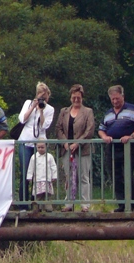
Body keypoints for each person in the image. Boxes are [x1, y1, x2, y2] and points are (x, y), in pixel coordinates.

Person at [98, 85, 134, 212]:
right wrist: (105, 137)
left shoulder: (132, 109)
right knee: (115, 175)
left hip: (128, 147)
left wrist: (131, 136)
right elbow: (101, 129)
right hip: (112, 148)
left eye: (117, 99)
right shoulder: (108, 113)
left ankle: (132, 204)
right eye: (112, 99)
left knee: (127, 174)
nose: (115, 101)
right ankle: (121, 204)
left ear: (122, 96)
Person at [55, 84, 95, 212]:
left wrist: (78, 143)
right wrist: (65, 143)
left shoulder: (88, 111)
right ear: (70, 97)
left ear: (82, 98)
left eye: (78, 97)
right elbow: (58, 128)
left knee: (84, 176)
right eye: (74, 97)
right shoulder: (64, 111)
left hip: (83, 149)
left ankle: (85, 204)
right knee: (69, 176)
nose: (76, 100)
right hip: (67, 149)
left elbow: (90, 130)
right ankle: (69, 203)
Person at [16, 82, 55, 203]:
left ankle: (37, 202)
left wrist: (41, 111)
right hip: (25, 142)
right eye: (41, 96)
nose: (43, 99)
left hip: (40, 143)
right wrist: (33, 107)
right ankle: (23, 203)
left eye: (45, 96)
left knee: (40, 173)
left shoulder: (50, 109)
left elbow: (44, 126)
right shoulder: (28, 103)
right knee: (25, 173)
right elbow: (22, 119)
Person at [26, 141, 58, 211]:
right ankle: (37, 208)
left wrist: (54, 176)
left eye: (42, 147)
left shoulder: (49, 156)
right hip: (38, 179)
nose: (40, 149)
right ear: (36, 147)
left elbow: (53, 166)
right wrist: (29, 176)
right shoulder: (34, 157)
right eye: (39, 147)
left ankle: (48, 208)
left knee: (47, 195)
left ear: (46, 147)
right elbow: (31, 167)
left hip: (47, 179)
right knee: (38, 195)